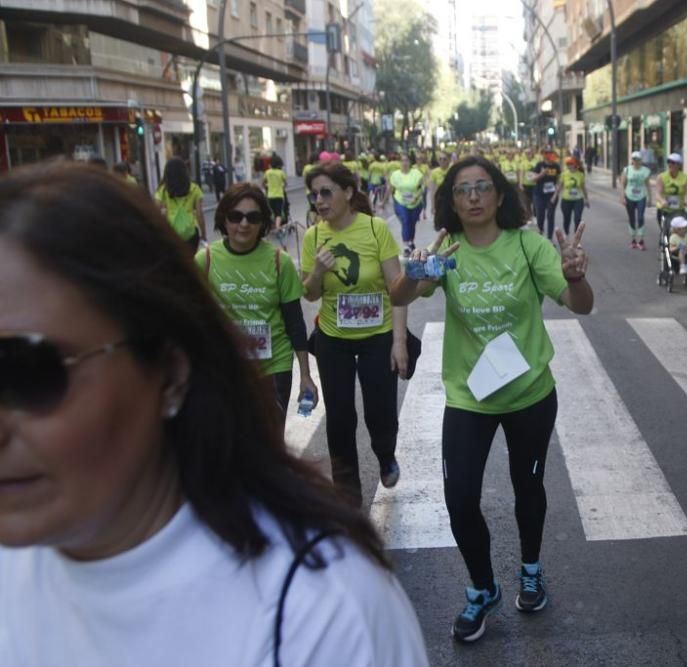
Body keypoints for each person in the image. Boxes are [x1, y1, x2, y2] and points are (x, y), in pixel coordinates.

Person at [0, 162, 428, 666]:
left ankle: (385, 452)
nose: (242, 225)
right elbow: (312, 293)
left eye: (28, 371)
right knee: (338, 429)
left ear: (169, 371)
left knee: (373, 420)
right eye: (234, 217)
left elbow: (300, 311)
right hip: (326, 342)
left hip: (349, 347)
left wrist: (381, 333)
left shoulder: (324, 610)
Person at [389, 156, 593, 643]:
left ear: (500, 195)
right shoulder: (450, 250)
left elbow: (581, 304)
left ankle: (531, 571)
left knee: (528, 489)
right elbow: (400, 296)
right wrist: (416, 271)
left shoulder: (527, 245)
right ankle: (483, 588)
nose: (474, 196)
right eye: (463, 189)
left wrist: (576, 274)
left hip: (529, 395)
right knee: (459, 498)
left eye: (483, 187)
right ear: (451, 201)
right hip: (469, 397)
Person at [302, 162, 407, 505]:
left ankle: (385, 454)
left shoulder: (376, 230)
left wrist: (399, 342)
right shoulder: (313, 236)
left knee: (380, 410)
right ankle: (347, 489)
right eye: (314, 194)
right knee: (340, 415)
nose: (319, 200)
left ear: (348, 193)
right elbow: (311, 294)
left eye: (326, 192)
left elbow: (398, 290)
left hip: (378, 336)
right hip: (333, 338)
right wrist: (317, 270)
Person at [195, 183, 317, 430]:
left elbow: (294, 321)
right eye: (236, 216)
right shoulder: (205, 261)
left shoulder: (278, 261)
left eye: (253, 217)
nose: (244, 224)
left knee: (269, 443)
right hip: (225, 368)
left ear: (263, 223)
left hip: (274, 367)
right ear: (224, 219)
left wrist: (305, 375)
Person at [155, 156, 206, 254]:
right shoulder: (195, 188)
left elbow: (155, 213)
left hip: (170, 233)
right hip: (191, 232)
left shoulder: (163, 190)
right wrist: (203, 234)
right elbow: (200, 214)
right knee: (190, 263)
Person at [389, 153, 423, 256]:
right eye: (402, 160)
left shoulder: (416, 173)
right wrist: (391, 202)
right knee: (405, 220)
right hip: (400, 201)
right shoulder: (395, 175)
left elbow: (421, 188)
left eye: (406, 160)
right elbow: (392, 189)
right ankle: (406, 245)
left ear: (410, 162)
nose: (404, 163)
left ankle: (411, 242)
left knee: (412, 223)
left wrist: (415, 197)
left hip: (415, 202)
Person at [621, 151, 652, 250]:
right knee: (631, 218)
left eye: (637, 159)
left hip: (641, 196)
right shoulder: (627, 170)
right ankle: (633, 240)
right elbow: (622, 184)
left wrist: (650, 198)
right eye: (634, 159)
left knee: (640, 217)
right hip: (629, 196)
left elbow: (648, 185)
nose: (635, 161)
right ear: (632, 160)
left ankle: (641, 240)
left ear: (641, 160)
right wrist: (622, 196)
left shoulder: (645, 171)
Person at [529, 150, 561, 241]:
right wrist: (542, 174)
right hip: (539, 195)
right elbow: (533, 179)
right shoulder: (539, 165)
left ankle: (550, 238)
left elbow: (559, 181)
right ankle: (540, 237)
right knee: (540, 216)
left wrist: (556, 192)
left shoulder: (556, 166)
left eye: (552, 155)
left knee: (551, 216)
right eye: (549, 155)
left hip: (551, 195)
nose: (551, 157)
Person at [656, 152, 687, 230]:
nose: (670, 164)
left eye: (673, 163)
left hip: (679, 210)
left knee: (679, 232)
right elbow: (658, 193)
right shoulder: (661, 177)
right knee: (665, 231)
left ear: (679, 165)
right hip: (664, 209)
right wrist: (662, 201)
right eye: (668, 162)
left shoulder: (685, 178)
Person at [554, 157, 588, 236]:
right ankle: (566, 233)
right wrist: (555, 195)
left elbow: (583, 187)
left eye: (570, 164)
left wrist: (586, 199)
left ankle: (577, 237)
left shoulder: (580, 175)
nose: (569, 166)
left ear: (575, 164)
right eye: (567, 164)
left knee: (577, 218)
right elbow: (560, 186)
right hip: (566, 200)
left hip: (578, 199)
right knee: (566, 218)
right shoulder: (564, 174)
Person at [262, 154, 288, 229]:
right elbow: (285, 183)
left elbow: (263, 183)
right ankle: (277, 227)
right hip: (279, 195)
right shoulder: (281, 173)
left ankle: (272, 226)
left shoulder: (267, 172)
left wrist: (268, 186)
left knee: (272, 212)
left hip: (270, 196)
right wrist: (281, 186)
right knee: (278, 213)